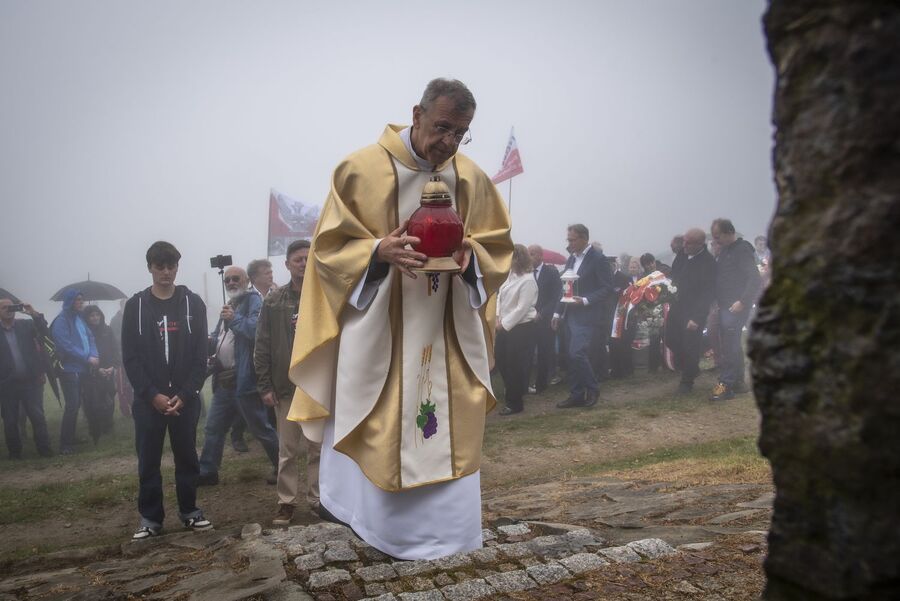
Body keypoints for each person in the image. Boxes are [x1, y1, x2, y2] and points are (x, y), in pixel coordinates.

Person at [287, 78, 512, 560]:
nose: (449, 143)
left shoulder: (470, 178)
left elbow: (496, 248)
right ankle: (382, 532)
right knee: (382, 419)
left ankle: (449, 537)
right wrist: (376, 251)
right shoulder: (360, 170)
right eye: (443, 128)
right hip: (380, 335)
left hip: (447, 332)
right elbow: (328, 252)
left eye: (461, 133)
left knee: (445, 420)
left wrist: (472, 258)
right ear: (417, 114)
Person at [121, 241, 212, 540]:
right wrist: (152, 395)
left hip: (185, 399)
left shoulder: (193, 303)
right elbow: (130, 358)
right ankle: (150, 519)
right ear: (150, 268)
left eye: (171, 266)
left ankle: (190, 511)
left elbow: (202, 357)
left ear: (177, 268)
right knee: (148, 459)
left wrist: (185, 394)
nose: (166, 272)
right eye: (160, 266)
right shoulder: (135, 306)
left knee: (187, 457)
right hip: (150, 401)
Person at [255, 239, 321, 526]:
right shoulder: (274, 301)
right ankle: (286, 502)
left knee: (317, 448)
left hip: (317, 385)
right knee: (288, 450)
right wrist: (265, 385)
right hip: (285, 386)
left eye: (308, 258)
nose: (304, 263)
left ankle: (319, 500)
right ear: (287, 264)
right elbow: (262, 344)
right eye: (298, 260)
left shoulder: (323, 296)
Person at [197, 265, 280, 486]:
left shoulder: (254, 300)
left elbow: (256, 330)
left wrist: (233, 318)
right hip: (224, 382)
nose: (231, 283)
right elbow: (219, 336)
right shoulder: (230, 305)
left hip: (245, 380)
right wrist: (209, 342)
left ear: (246, 281)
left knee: (261, 428)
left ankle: (283, 466)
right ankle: (207, 472)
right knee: (213, 427)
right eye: (227, 281)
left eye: (236, 279)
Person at [552, 224, 614, 408]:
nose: (569, 243)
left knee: (576, 353)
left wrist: (586, 300)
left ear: (584, 238)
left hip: (587, 314)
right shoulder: (571, 259)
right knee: (571, 356)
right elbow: (565, 288)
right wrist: (557, 312)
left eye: (572, 240)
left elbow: (607, 289)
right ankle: (576, 394)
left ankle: (593, 387)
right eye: (568, 240)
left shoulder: (598, 259)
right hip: (570, 314)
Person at [709, 219, 762, 401]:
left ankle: (726, 383)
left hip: (736, 306)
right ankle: (738, 381)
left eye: (717, 237)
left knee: (729, 344)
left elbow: (754, 278)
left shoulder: (742, 250)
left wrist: (742, 301)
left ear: (728, 232)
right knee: (731, 343)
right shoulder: (725, 251)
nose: (716, 241)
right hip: (725, 305)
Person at [0, 297, 53, 458]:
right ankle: (15, 453)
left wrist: (33, 313)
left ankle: (45, 450)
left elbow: (45, 331)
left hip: (30, 381)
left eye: (11, 307)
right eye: (4, 308)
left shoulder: (26, 325)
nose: (8, 310)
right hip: (7, 384)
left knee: (37, 416)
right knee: (10, 421)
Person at [666, 228, 716, 393]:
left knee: (690, 345)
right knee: (670, 339)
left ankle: (687, 382)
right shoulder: (682, 255)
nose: (684, 245)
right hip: (677, 306)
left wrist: (697, 317)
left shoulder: (708, 263)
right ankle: (692, 367)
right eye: (684, 241)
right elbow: (674, 275)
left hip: (694, 311)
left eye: (688, 243)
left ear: (700, 244)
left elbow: (708, 293)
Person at [51, 290, 99, 454]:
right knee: (72, 405)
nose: (81, 302)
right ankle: (65, 444)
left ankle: (71, 437)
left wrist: (94, 354)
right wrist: (87, 357)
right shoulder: (61, 321)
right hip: (69, 370)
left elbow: (90, 337)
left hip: (82, 368)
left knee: (76, 404)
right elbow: (64, 345)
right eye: (78, 300)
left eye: (82, 299)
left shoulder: (79, 319)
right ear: (70, 301)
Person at [495, 245, 539, 415]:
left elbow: (522, 308)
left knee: (513, 364)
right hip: (506, 325)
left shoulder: (528, 281)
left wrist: (503, 324)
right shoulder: (511, 276)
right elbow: (500, 295)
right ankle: (515, 391)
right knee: (500, 359)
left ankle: (515, 403)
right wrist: (498, 316)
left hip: (521, 328)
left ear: (517, 259)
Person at [82, 305, 120, 443]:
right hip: (92, 372)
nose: (95, 318)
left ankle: (108, 426)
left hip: (108, 370)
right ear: (87, 318)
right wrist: (96, 369)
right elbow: (84, 353)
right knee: (93, 402)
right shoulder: (84, 332)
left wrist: (113, 366)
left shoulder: (107, 330)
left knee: (110, 397)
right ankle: (94, 429)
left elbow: (115, 348)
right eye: (92, 315)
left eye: (97, 314)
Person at [527, 244, 562, 393]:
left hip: (545, 319)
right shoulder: (525, 273)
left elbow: (556, 296)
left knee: (544, 352)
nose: (530, 256)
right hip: (528, 319)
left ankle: (541, 384)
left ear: (541, 256)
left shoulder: (551, 272)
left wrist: (543, 313)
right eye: (528, 253)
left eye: (533, 254)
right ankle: (524, 383)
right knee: (527, 352)